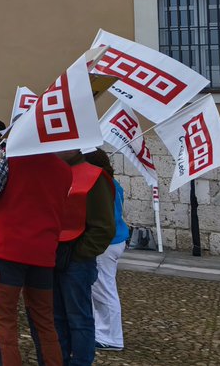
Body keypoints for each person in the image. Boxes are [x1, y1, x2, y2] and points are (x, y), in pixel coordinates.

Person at [0, 142, 72, 366]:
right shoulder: (64, 169)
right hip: (43, 253)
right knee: (44, 322)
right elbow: (40, 202)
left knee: (4, 322)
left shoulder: (12, 156)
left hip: (8, 252)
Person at [51, 148, 115, 366]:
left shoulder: (94, 176)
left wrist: (79, 254)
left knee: (79, 318)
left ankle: (80, 361)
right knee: (56, 316)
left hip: (76, 259)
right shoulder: (52, 172)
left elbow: (104, 228)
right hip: (51, 255)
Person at [85, 150, 128, 353]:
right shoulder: (113, 183)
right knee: (102, 288)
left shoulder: (100, 184)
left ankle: (111, 337)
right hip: (115, 240)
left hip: (106, 243)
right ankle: (102, 332)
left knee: (104, 290)